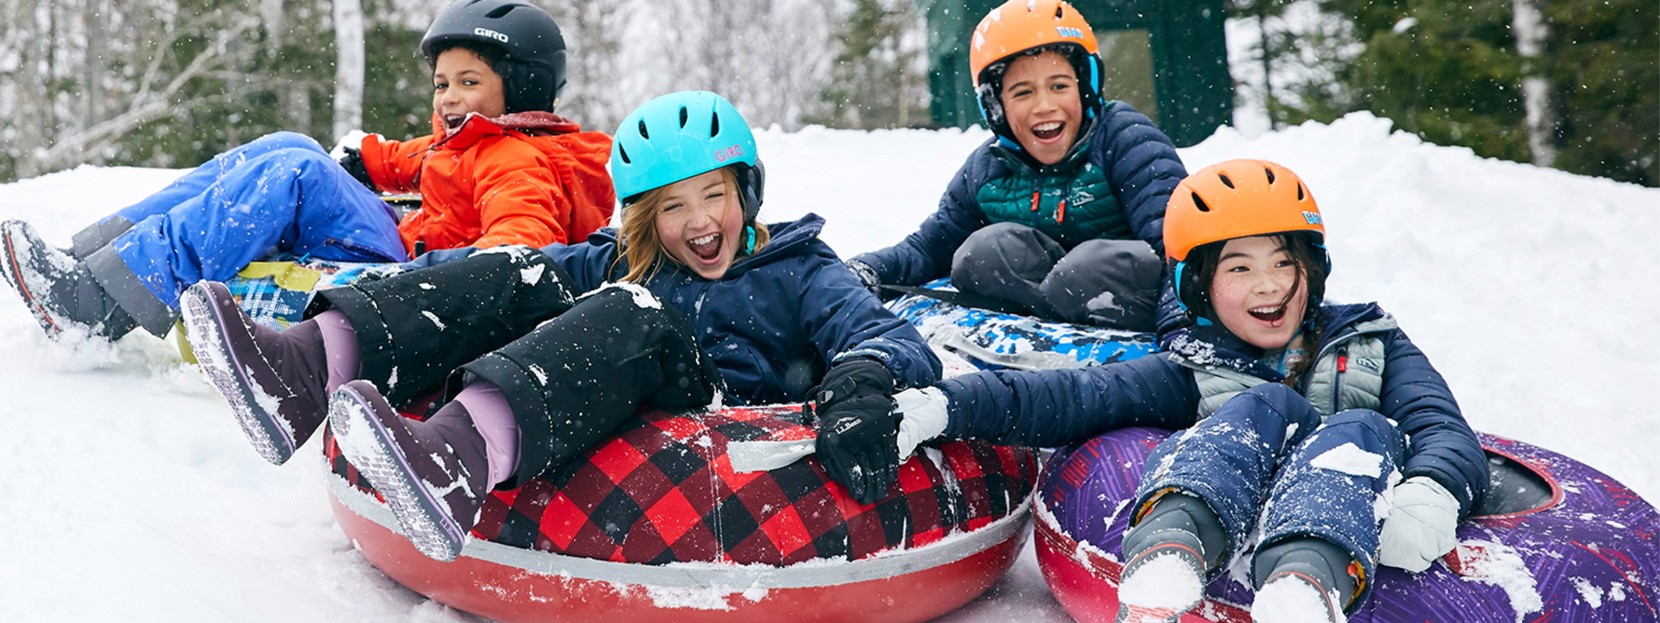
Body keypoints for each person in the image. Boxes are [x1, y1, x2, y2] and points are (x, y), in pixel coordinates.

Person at [179, 91, 942, 562]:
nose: (701, 221)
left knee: (636, 310)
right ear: (646, 217)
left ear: (748, 189)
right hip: (619, 400)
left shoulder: (802, 269)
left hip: (714, 413)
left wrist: (863, 379)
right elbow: (520, 276)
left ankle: (457, 457)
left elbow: (892, 339)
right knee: (525, 270)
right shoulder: (625, 257)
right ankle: (307, 368)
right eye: (672, 207)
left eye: (715, 194)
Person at [866, 160, 1489, 622]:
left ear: (1313, 270)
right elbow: (1070, 397)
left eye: (1283, 263)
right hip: (1221, 492)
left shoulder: (1373, 343)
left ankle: (1303, 587)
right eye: (1239, 268)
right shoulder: (1192, 368)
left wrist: (1434, 489)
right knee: (1263, 405)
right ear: (1199, 287)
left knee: (1367, 427)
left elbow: (1440, 424)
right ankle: (1169, 551)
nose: (1268, 286)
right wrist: (947, 406)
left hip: (1343, 510)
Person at [0, 0, 613, 343]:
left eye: (469, 82)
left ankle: (99, 304)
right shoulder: (478, 140)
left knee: (293, 172)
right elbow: (412, 159)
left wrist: (437, 263)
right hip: (398, 243)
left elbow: (520, 252)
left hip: (404, 275)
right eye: (442, 83)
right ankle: (94, 259)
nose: (449, 97)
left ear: (525, 85)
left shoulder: (517, 161)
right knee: (292, 146)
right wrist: (358, 161)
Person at [846, 0, 1186, 332]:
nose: (1044, 105)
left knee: (1084, 272)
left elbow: (1181, 249)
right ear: (996, 107)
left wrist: (1181, 329)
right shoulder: (987, 169)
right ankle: (1041, 334)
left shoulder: (1127, 140)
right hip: (1049, 318)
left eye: (1059, 86)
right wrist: (868, 271)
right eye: (1023, 93)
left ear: (1086, 89)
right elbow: (929, 248)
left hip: (1132, 305)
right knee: (983, 253)